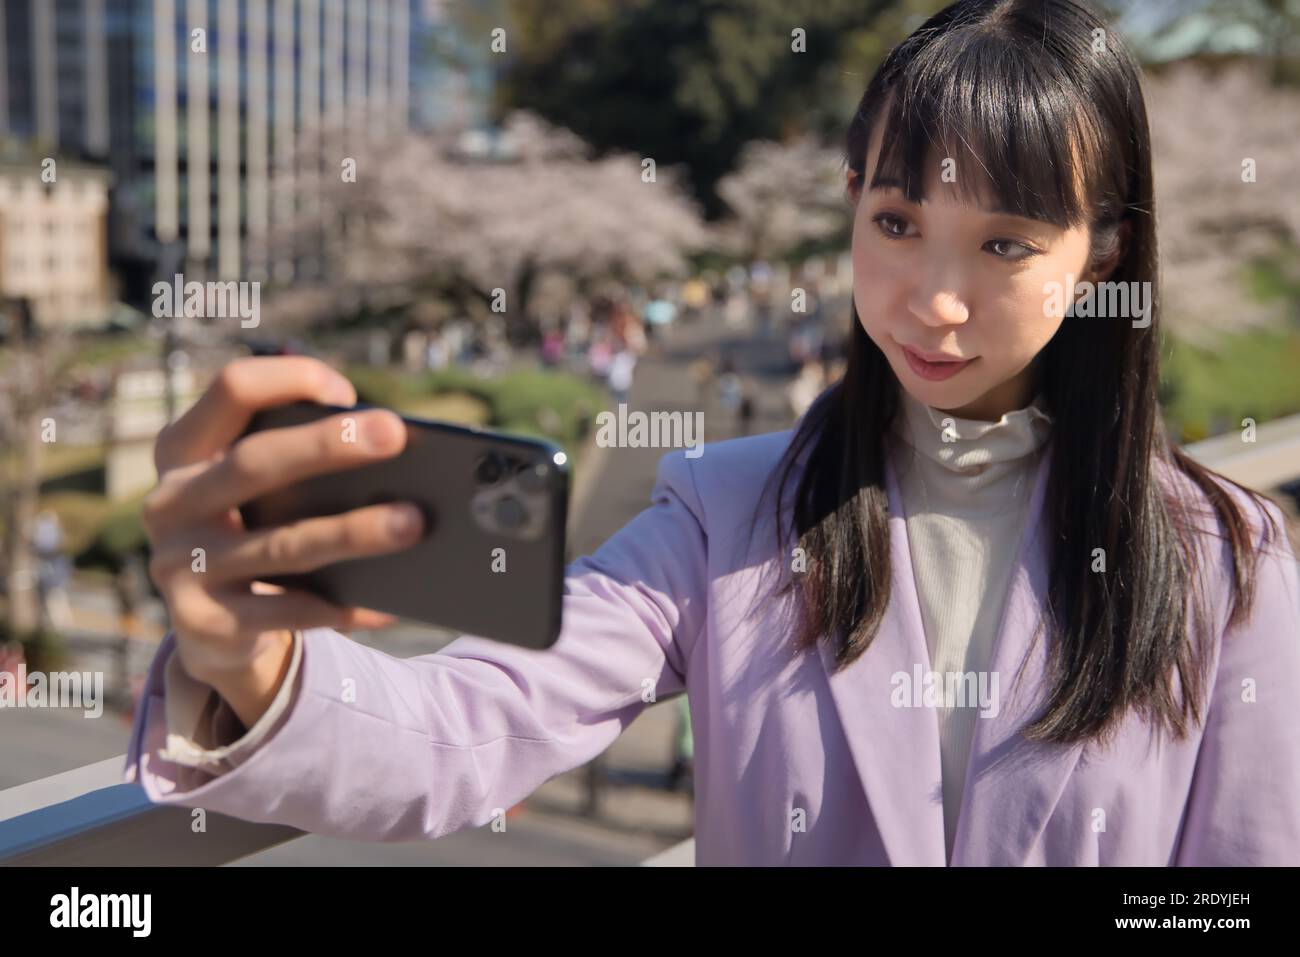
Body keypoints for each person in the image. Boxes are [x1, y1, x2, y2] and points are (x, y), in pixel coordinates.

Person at [123, 0, 1300, 865]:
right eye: (895, 221)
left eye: (1003, 244)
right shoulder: (726, 512)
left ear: (1100, 254)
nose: (933, 300)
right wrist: (250, 667)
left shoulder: (1224, 559)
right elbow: (473, 725)